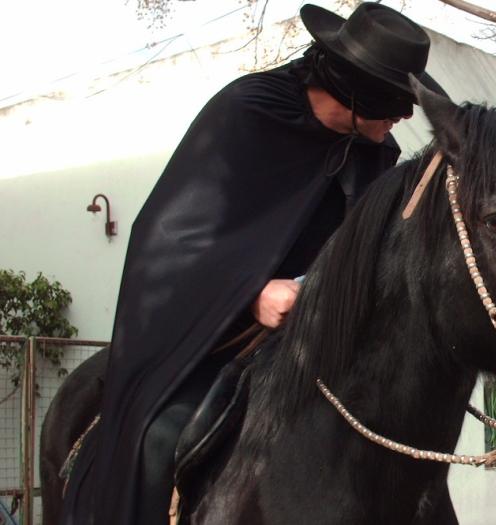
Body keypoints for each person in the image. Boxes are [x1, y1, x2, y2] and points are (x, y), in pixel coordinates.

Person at [60, 4, 443, 524]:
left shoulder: (373, 150)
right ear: (356, 96)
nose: (402, 120)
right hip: (211, 333)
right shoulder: (246, 113)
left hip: (316, 340)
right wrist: (253, 294)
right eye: (395, 107)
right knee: (159, 438)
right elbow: (166, 238)